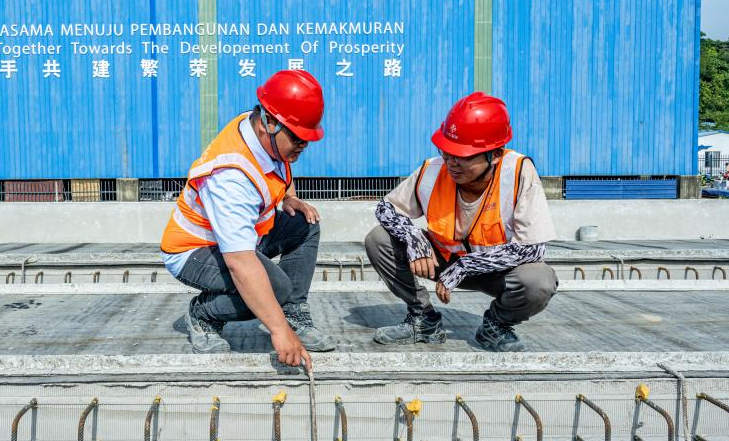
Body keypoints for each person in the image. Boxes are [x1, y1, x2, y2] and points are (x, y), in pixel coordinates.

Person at [160, 70, 337, 367]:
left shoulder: (261, 129)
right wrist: (278, 331)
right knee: (275, 290)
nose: (302, 147)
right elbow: (240, 263)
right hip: (193, 248)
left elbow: (279, 167)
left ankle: (294, 312)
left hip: (243, 234)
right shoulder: (230, 176)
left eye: (307, 140)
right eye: (297, 138)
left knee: (305, 227)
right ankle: (203, 313)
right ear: (269, 122)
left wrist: (289, 198)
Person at [364, 92, 558, 352]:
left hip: (497, 272)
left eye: (464, 156)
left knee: (539, 280)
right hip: (442, 263)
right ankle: (423, 319)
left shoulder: (517, 172)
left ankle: (496, 326)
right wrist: (415, 239)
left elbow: (532, 249)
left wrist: (466, 265)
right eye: (447, 153)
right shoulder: (434, 170)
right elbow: (386, 207)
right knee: (379, 239)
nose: (452, 163)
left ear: (496, 155)